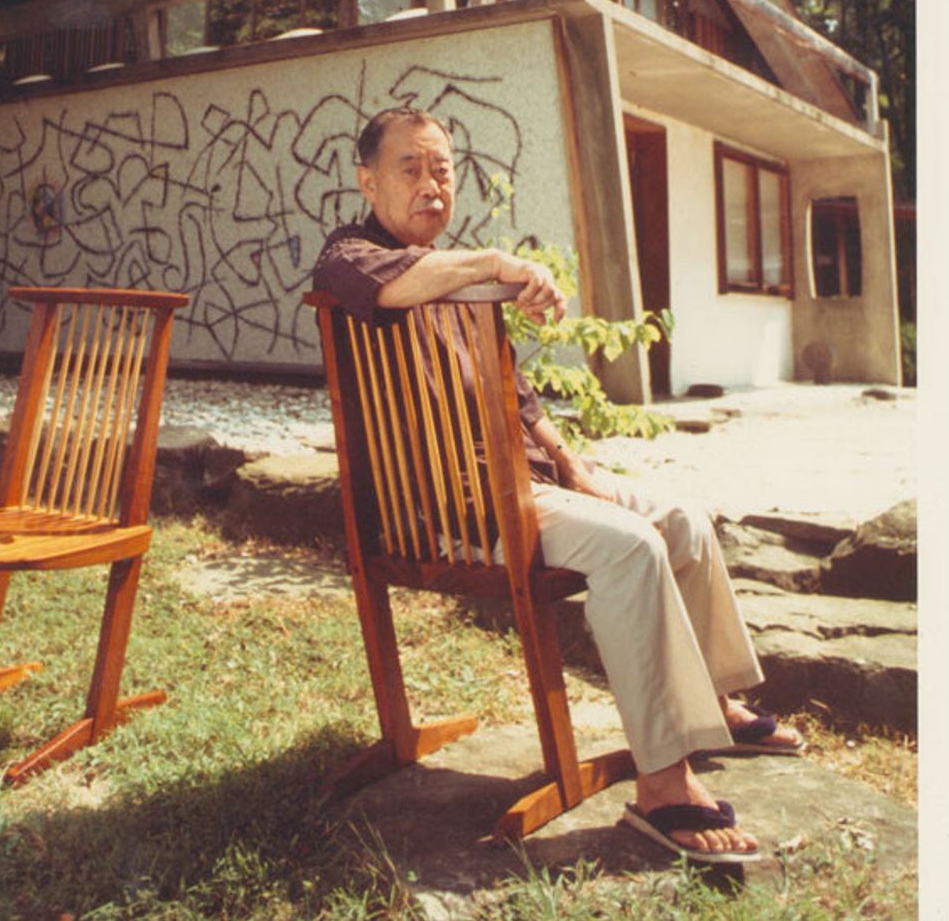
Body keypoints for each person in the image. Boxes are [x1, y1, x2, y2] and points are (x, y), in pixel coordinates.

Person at [312, 106, 804, 864]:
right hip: (451, 509)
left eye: (441, 167)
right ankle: (663, 789)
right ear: (366, 179)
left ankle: (714, 704)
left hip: (524, 483)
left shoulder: (457, 283)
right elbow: (393, 282)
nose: (431, 182)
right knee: (633, 548)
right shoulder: (351, 258)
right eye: (410, 167)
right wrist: (494, 264)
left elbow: (521, 401)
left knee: (679, 518)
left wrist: (573, 464)